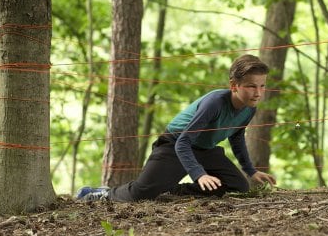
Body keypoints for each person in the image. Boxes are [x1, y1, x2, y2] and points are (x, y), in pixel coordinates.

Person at [77, 54, 276, 202]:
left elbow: (237, 137)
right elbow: (183, 142)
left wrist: (250, 171)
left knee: (238, 186)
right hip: (174, 145)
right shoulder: (214, 103)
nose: (258, 92)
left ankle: (171, 192)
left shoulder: (249, 108)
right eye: (251, 86)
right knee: (142, 194)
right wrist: (199, 174)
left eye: (262, 86)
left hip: (205, 149)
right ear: (234, 86)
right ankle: (101, 193)